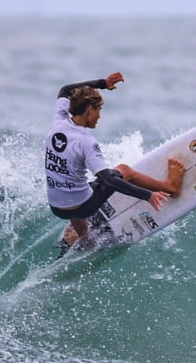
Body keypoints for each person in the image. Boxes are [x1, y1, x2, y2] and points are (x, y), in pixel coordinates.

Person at [45, 71, 184, 246]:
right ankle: (169, 187)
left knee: (73, 183)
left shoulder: (59, 120)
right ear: (90, 109)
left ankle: (85, 238)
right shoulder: (85, 141)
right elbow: (108, 179)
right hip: (83, 206)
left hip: (56, 207)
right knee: (124, 170)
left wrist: (102, 83)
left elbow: (65, 89)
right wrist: (148, 195)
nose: (100, 116)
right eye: (99, 110)